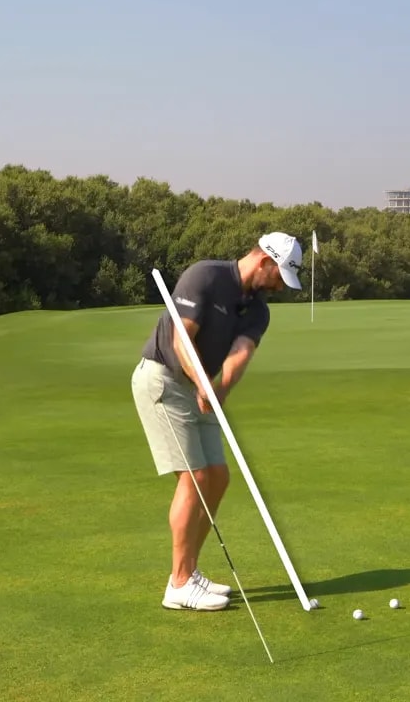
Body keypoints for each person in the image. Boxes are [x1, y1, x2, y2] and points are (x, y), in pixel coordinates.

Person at [130, 231, 304, 611]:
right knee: (196, 477)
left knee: (218, 477)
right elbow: (181, 342)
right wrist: (202, 383)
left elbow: (241, 353)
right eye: (279, 277)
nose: (279, 287)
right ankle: (178, 585)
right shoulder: (205, 276)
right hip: (163, 380)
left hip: (201, 389)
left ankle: (188, 572)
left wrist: (220, 390)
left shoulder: (259, 310)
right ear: (265, 261)